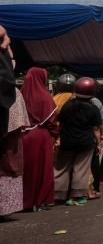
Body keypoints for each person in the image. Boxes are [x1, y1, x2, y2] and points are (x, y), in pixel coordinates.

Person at [54, 77, 102, 206]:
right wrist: (98, 144)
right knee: (80, 169)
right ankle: (77, 196)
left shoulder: (67, 105)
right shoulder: (93, 109)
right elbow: (96, 129)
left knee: (61, 168)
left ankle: (57, 195)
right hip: (85, 143)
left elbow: (61, 124)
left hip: (67, 141)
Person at [21, 67, 58, 212]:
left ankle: (24, 201)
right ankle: (42, 200)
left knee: (26, 170)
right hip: (40, 136)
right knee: (43, 169)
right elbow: (51, 122)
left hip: (22, 136)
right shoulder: (44, 96)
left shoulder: (19, 95)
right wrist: (55, 135)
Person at [0, 88, 29, 218]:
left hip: (9, 137)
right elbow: (18, 120)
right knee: (8, 166)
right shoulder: (13, 91)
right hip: (10, 139)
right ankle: (4, 210)